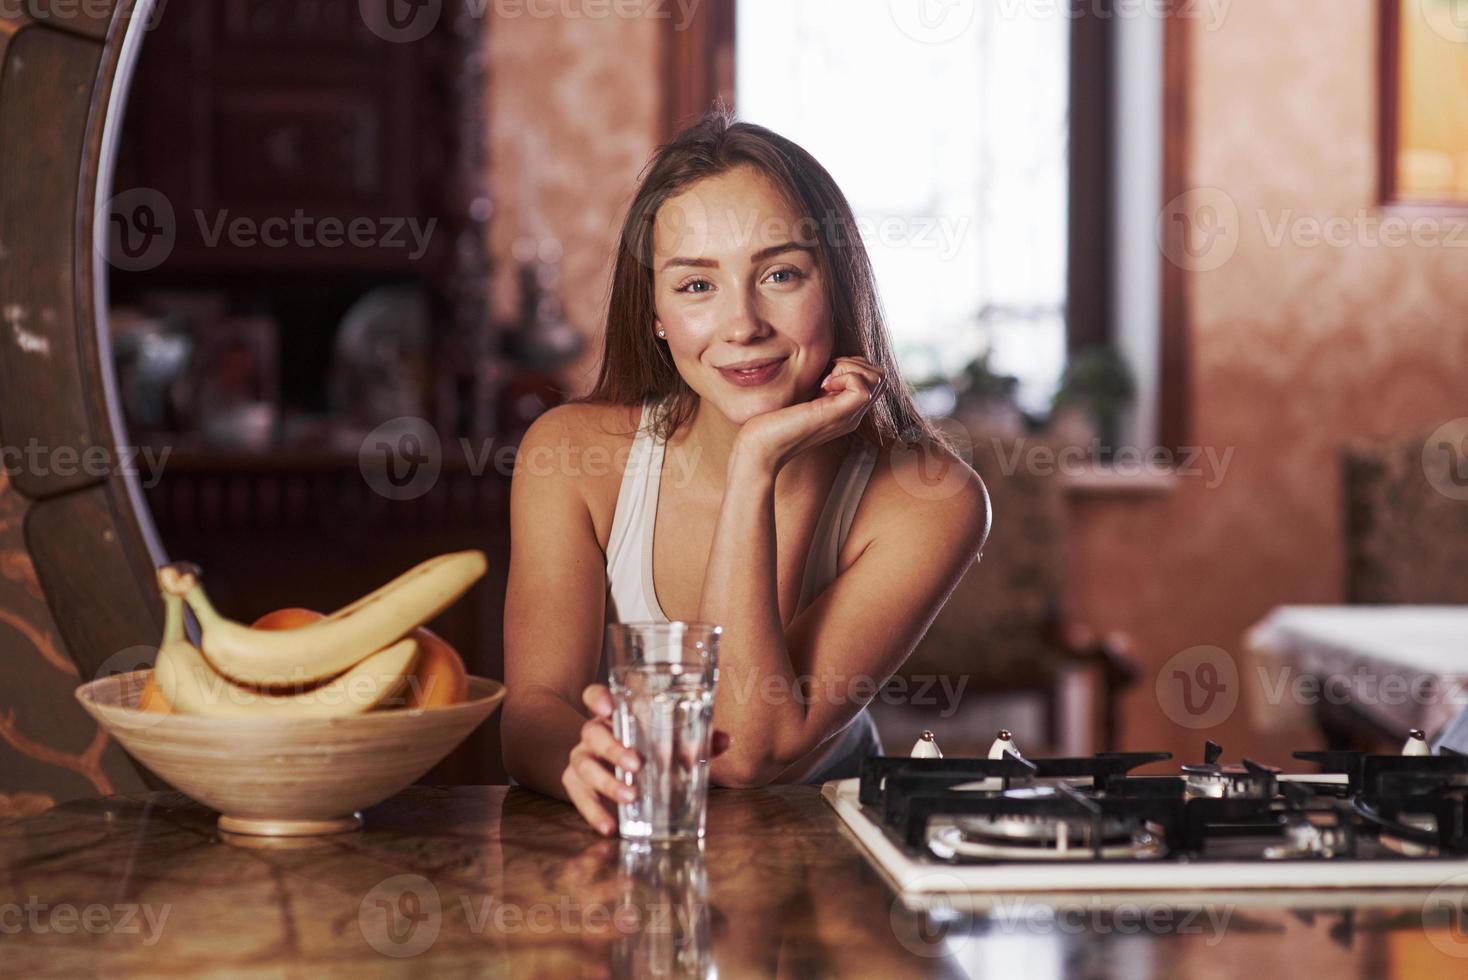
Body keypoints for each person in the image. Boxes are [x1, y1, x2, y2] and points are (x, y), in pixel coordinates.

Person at [501, 107, 990, 836]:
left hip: (830, 869)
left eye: (781, 274)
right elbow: (532, 709)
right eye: (697, 286)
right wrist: (581, 751)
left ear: (840, 285)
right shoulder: (569, 456)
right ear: (658, 314)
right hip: (633, 852)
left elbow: (746, 751)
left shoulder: (932, 499)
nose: (742, 324)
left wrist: (761, 464)